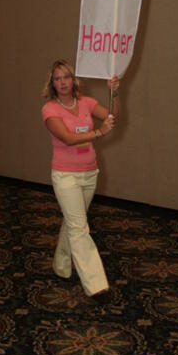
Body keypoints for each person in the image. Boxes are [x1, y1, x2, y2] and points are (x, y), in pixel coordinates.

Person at [41, 59, 119, 297]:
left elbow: (111, 118)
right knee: (79, 227)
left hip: (89, 172)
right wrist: (98, 132)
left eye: (66, 77)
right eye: (57, 78)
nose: (63, 82)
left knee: (73, 221)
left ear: (73, 79)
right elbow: (66, 138)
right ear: (52, 83)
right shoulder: (50, 109)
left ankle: (61, 266)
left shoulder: (86, 102)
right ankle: (96, 284)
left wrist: (114, 94)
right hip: (66, 176)